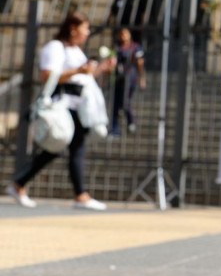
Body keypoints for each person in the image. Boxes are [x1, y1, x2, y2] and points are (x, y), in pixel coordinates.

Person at [6, 12, 116, 210]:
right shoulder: (55, 48)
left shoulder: (76, 50)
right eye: (85, 28)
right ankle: (78, 195)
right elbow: (48, 76)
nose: (88, 33)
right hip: (63, 106)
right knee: (62, 147)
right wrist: (78, 71)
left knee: (63, 148)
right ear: (73, 29)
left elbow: (83, 78)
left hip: (78, 106)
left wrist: (101, 69)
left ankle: (21, 184)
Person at [111, 28, 145, 136]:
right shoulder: (116, 47)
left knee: (125, 101)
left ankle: (131, 122)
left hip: (130, 77)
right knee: (115, 103)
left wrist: (142, 78)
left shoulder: (135, 47)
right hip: (118, 77)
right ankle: (114, 129)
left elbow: (140, 63)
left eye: (125, 34)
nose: (123, 37)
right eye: (121, 34)